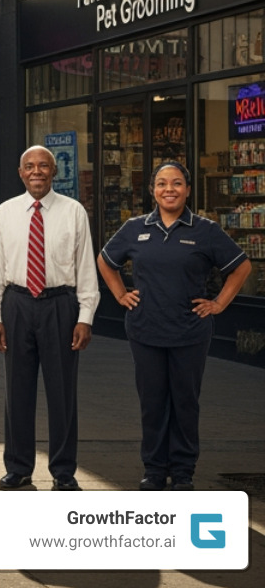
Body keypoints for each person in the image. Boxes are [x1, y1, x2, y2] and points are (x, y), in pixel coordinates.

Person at [97, 161, 252, 491]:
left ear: (188, 190)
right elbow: (105, 261)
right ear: (153, 190)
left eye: (177, 183)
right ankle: (154, 469)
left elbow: (241, 267)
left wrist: (219, 303)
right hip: (145, 331)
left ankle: (182, 472)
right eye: (163, 183)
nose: (170, 189)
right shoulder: (135, 228)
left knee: (185, 402)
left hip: (190, 332)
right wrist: (120, 293)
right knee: (153, 402)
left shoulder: (205, 230)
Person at [0, 146, 98, 491]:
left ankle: (64, 472)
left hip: (60, 305)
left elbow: (86, 268)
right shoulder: (5, 212)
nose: (37, 171)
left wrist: (85, 316)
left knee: (63, 393)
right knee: (17, 391)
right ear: (21, 173)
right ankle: (18, 468)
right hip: (17, 303)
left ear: (53, 172)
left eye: (43, 166)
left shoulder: (73, 212)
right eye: (30, 166)